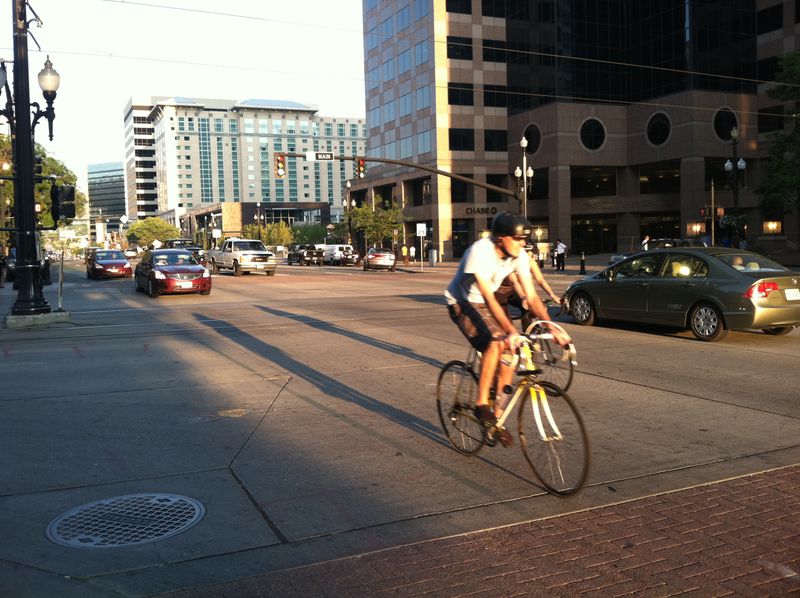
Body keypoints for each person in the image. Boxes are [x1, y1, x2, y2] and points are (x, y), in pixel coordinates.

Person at [445, 212, 571, 448]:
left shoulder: (519, 256)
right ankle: (482, 405)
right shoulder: (480, 251)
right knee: (497, 339)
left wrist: (552, 327)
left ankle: (497, 419)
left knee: (511, 356)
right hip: (462, 302)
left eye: (525, 238)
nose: (523, 243)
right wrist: (509, 331)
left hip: (485, 302)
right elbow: (485, 296)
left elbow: (532, 296)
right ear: (501, 238)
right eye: (518, 238)